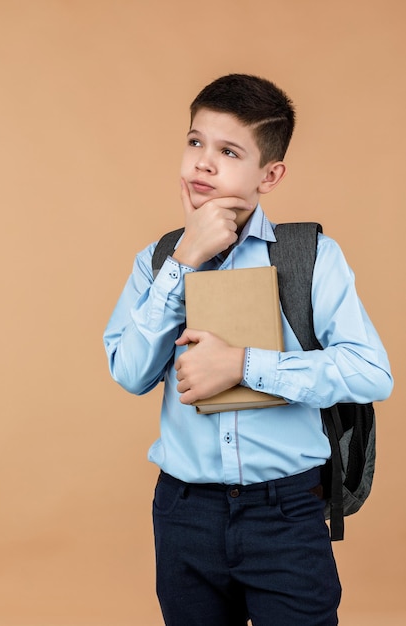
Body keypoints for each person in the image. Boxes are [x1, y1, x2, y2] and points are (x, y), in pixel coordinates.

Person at [103, 74, 393, 626]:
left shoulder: (311, 257)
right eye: (195, 142)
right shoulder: (157, 260)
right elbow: (131, 371)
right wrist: (183, 262)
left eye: (228, 151)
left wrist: (244, 366)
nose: (203, 163)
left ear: (270, 173)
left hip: (286, 513)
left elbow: (372, 371)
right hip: (185, 514)